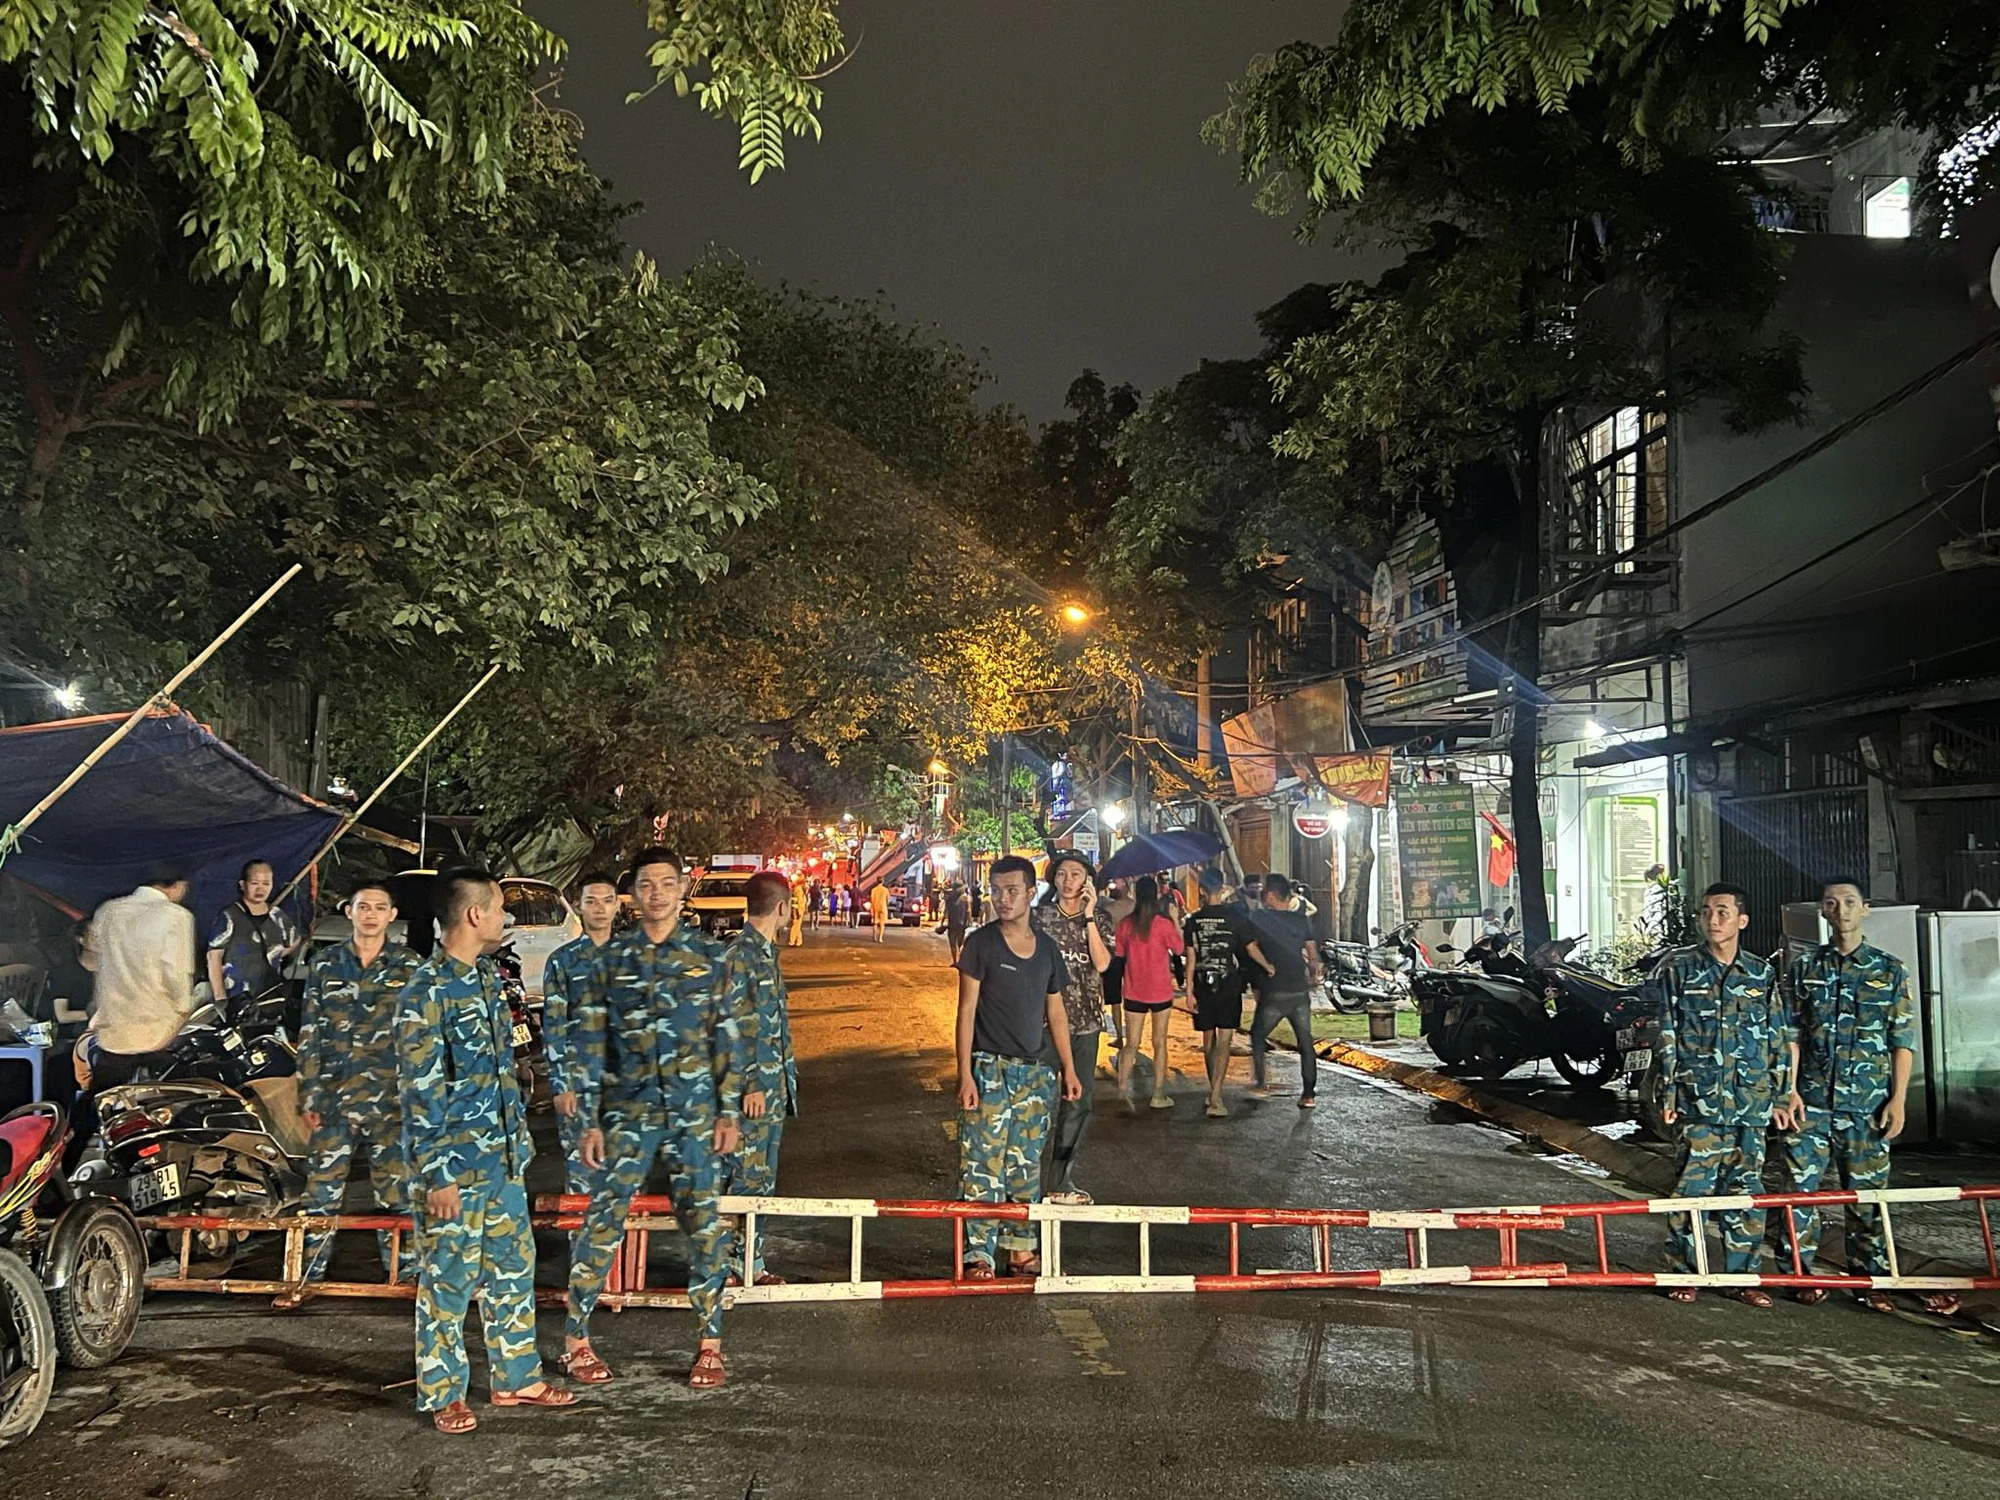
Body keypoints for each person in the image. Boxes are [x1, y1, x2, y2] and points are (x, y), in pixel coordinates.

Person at [395, 867, 576, 1434]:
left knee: (512, 1269)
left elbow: (505, 1073)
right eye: (500, 908)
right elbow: (420, 1092)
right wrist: (438, 1173)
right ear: (474, 915)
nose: (506, 918)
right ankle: (443, 1391)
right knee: (448, 1280)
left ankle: (515, 1376)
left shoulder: (488, 981)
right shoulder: (425, 992)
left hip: (500, 1161)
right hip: (454, 1167)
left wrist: (517, 1148)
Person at [565, 847, 742, 1390]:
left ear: (682, 887)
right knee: (602, 1221)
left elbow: (728, 1038)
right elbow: (591, 1043)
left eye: (667, 883)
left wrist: (729, 1110)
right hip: (627, 1112)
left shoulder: (710, 959)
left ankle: (710, 1344)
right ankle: (575, 1341)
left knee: (705, 1227)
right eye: (646, 885)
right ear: (633, 894)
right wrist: (588, 1119)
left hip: (693, 1114)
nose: (657, 894)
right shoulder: (609, 961)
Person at [1775, 877, 1958, 1316]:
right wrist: (1789, 1091)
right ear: (1822, 911)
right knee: (1799, 1194)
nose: (1841, 910)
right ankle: (1800, 1275)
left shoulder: (1890, 970)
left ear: (1866, 910)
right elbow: (1792, 1036)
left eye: (1850, 903)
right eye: (1832, 903)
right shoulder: (1805, 969)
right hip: (1813, 1103)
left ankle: (1871, 1279)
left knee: (1869, 1197)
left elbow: (1903, 1040)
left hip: (1868, 1106)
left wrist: (1898, 1100)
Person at [278, 880, 423, 1308]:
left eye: (380, 907)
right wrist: (308, 1094)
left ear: (392, 916)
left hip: (391, 1100)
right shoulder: (325, 965)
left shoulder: (409, 967)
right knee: (320, 1195)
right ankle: (302, 1278)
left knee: (396, 1196)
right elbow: (310, 1033)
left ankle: (405, 1274)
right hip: (335, 1101)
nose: (371, 914)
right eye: (363, 907)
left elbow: (420, 1036)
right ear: (350, 912)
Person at [1643, 882, 1787, 1306]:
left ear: (1741, 920)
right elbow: (1667, 1031)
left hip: (1749, 1102)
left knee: (1745, 1191)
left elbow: (1776, 1035)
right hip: (1698, 1101)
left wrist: (1781, 1095)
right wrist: (1667, 1091)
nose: (1713, 919)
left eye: (1723, 911)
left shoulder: (1761, 974)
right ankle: (1684, 1272)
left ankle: (1742, 1276)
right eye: (1707, 911)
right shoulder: (1681, 969)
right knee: (1691, 1189)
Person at [954, 856, 1081, 1278]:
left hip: (1035, 1075)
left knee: (1025, 1165)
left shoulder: (1046, 949)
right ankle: (979, 1255)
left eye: (1012, 891)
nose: (1002, 900)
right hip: (989, 1070)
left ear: (1030, 893)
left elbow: (1057, 1012)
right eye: (996, 891)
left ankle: (1020, 1253)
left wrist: (1069, 1068)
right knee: (982, 1166)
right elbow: (966, 1011)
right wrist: (965, 1074)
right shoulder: (981, 944)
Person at [718, 871, 797, 1286]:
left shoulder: (766, 953)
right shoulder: (740, 955)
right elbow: (730, 1026)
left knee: (760, 1182)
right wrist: (749, 1082)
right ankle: (727, 1266)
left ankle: (752, 1263)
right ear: (782, 908)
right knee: (742, 1179)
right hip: (751, 1094)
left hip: (772, 1090)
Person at [1031, 853, 1114, 1204]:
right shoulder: (1038, 918)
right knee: (1035, 1103)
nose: (1067, 880)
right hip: (1041, 1026)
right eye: (1062, 874)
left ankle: (1059, 1181)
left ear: (1088, 882)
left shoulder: (1100, 920)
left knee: (1077, 1105)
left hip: (1086, 1025)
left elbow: (1103, 963)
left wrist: (1090, 917)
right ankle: (1024, 1179)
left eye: (1076, 874)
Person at [540, 873, 620, 1197]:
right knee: (583, 1174)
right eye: (590, 901)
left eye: (606, 901)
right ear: (579, 907)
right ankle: (583, 1247)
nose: (599, 908)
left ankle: (621, 1248)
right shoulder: (563, 961)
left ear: (617, 907)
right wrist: (560, 1086)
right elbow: (554, 1026)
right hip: (580, 1084)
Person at [83, 864, 197, 1092]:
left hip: (114, 1031)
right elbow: (176, 973)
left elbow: (94, 962)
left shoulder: (108, 910)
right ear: (176, 885)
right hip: (158, 1031)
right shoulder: (176, 916)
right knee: (170, 1100)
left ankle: (78, 1127)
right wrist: (185, 1009)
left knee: (102, 1100)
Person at [1181, 869, 1271, 1118]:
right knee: (1224, 1041)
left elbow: (1190, 960)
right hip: (1228, 983)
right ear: (1222, 888)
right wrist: (1268, 966)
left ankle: (1214, 1090)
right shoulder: (1235, 917)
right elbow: (1251, 948)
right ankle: (1216, 1095)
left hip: (1201, 984)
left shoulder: (1192, 921)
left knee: (1208, 1040)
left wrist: (1189, 991)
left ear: (1200, 890)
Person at [1246, 874, 1320, 1109]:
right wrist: (1312, 973)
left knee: (1258, 1035)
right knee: (1305, 1042)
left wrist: (1267, 966)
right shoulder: (1302, 920)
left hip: (1275, 991)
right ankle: (1309, 1094)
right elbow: (1312, 952)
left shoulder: (1260, 918)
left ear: (1270, 895)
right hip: (1299, 991)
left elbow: (1250, 947)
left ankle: (1260, 1083)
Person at [1115, 875, 1186, 1112]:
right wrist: (1175, 920)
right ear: (1156, 895)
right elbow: (1179, 948)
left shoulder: (1125, 924)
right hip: (1160, 992)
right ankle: (1158, 1094)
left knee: (1131, 1043)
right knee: (1159, 1042)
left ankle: (1122, 1088)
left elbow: (1120, 953)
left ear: (1136, 894)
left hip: (1134, 990)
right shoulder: (1163, 924)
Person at [204, 858, 301, 1007]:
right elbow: (214, 957)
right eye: (255, 883)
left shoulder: (277, 915)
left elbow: (295, 940)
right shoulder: (229, 916)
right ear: (243, 885)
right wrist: (220, 997)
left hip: (269, 996)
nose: (260, 889)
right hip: (236, 997)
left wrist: (275, 953)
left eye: (266, 884)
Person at [945, 882, 971, 965]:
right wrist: (969, 921)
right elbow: (968, 910)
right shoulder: (965, 898)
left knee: (952, 942)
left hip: (952, 923)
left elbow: (946, 911)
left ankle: (955, 961)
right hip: (962, 923)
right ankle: (960, 960)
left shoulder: (949, 898)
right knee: (960, 942)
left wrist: (942, 922)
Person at [787, 879, 806, 947]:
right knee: (796, 926)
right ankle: (797, 941)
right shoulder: (798, 890)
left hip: (796, 910)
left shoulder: (796, 890)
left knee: (796, 926)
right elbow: (799, 901)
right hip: (797, 910)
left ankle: (795, 941)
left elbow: (798, 901)